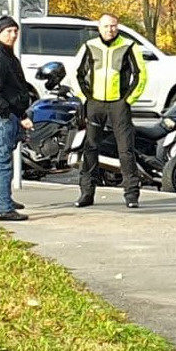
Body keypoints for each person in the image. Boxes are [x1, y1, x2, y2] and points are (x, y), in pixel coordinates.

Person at [71, 13, 147, 209]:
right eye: (106, 26)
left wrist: (128, 99)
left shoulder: (129, 46)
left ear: (117, 26)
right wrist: (85, 98)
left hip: (118, 104)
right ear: (99, 27)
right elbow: (76, 74)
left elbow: (141, 75)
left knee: (126, 150)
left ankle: (131, 195)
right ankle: (86, 193)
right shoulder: (89, 46)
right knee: (90, 148)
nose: (110, 30)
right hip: (94, 103)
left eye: (113, 26)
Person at [0, 16, 33, 221]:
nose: (13, 35)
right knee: (2, 161)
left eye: (15, 31)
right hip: (1, 117)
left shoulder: (7, 56)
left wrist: (20, 114)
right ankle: (2, 207)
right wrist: (7, 112)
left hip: (8, 115)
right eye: (9, 31)